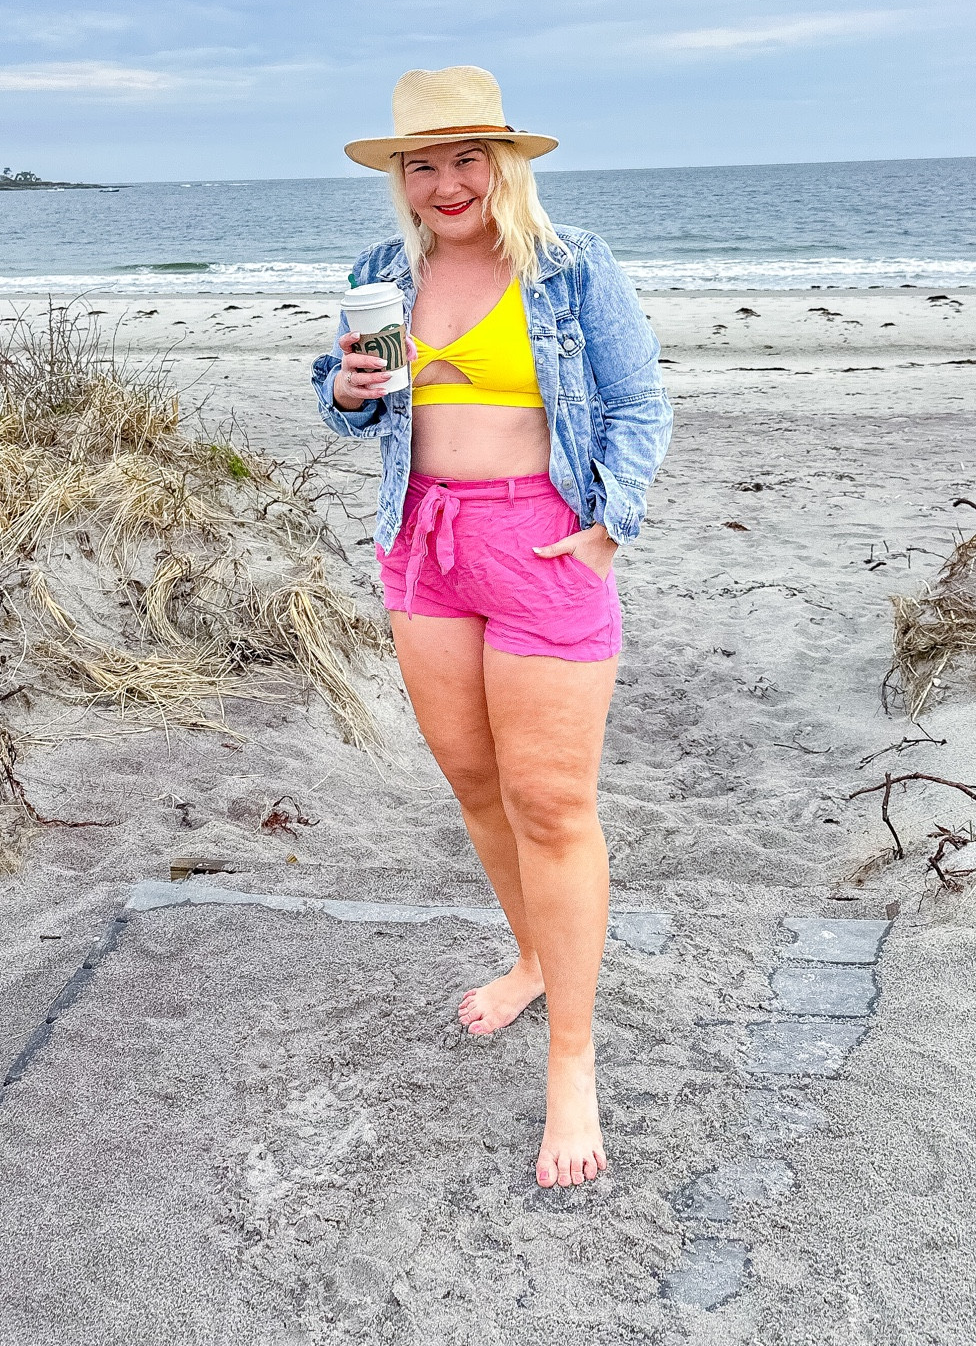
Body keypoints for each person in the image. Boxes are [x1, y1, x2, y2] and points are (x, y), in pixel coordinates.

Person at [312, 66, 672, 1189]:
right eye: (425, 162)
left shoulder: (572, 268)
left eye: (468, 157)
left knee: (552, 800)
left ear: (503, 164)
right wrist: (349, 392)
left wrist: (610, 520)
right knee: (474, 780)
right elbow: (335, 398)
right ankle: (529, 956)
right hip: (422, 538)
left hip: (542, 541)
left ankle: (573, 1053)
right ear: (402, 180)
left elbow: (640, 400)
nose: (448, 181)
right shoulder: (383, 272)